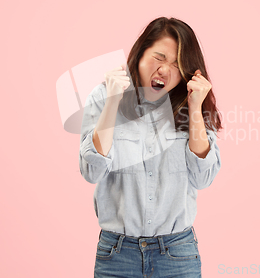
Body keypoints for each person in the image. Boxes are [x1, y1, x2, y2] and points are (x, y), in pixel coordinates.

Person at [79, 17, 222, 278]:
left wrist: (195, 108)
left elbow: (203, 178)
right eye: (159, 57)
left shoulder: (194, 106)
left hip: (177, 254)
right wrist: (113, 103)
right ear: (140, 52)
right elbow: (91, 171)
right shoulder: (102, 96)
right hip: (117, 255)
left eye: (177, 65)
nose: (165, 70)